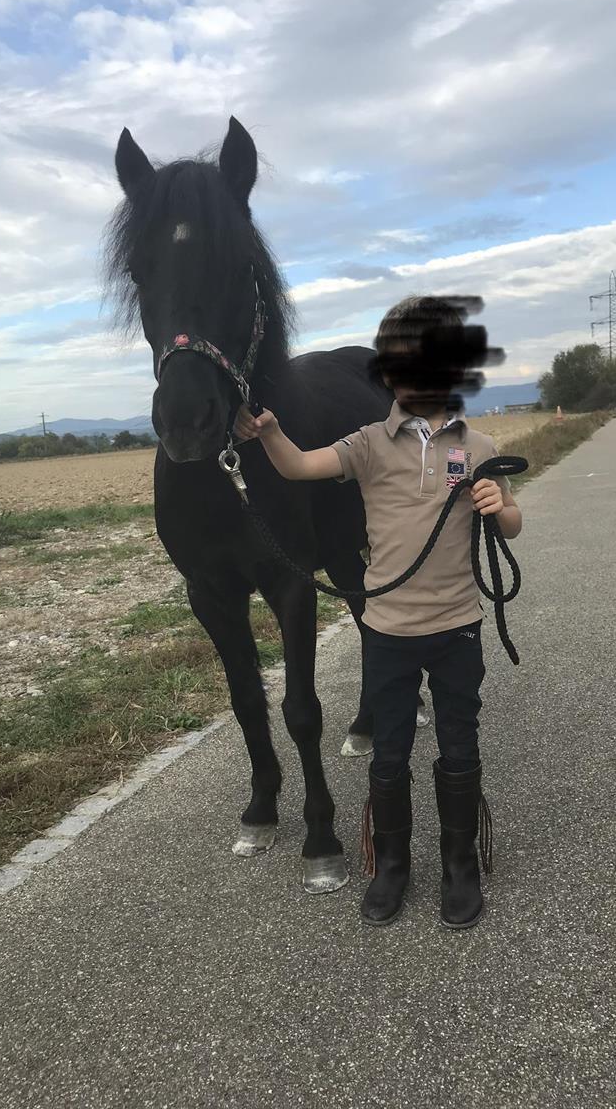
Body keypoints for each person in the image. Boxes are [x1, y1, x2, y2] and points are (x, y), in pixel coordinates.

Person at [234, 295, 522, 929]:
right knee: (388, 755)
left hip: (457, 627)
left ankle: (459, 865)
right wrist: (272, 435)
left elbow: (514, 524)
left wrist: (498, 503)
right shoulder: (367, 444)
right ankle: (391, 865)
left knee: (458, 748)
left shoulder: (478, 444)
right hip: (388, 632)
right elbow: (303, 466)